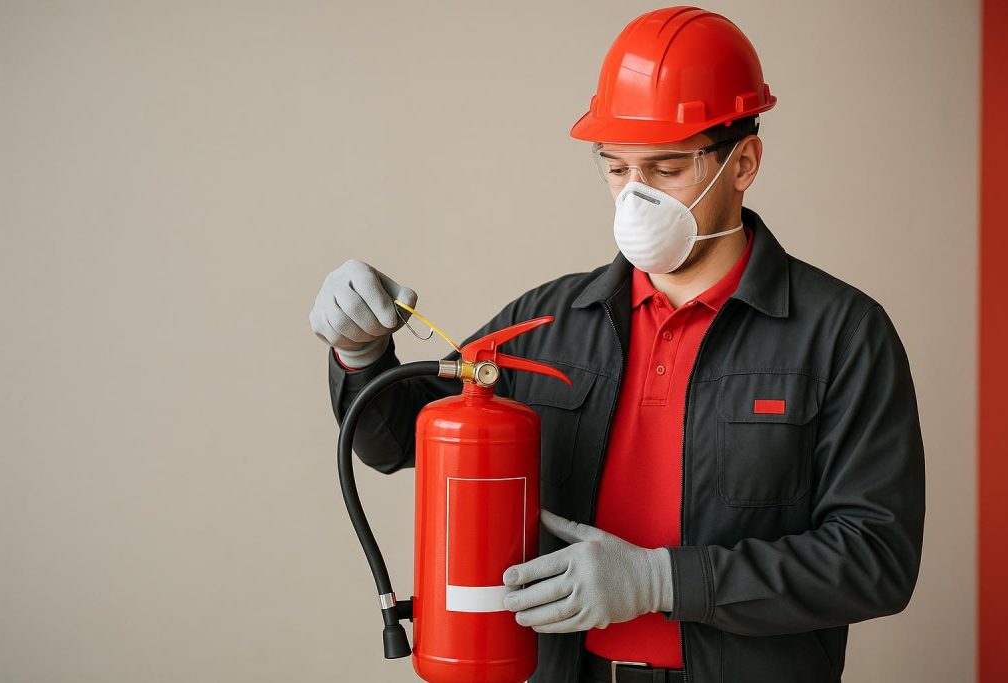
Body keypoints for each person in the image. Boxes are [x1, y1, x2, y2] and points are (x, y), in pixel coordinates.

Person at [309, 6, 925, 682]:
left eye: (665, 169)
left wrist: (663, 580)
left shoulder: (841, 335)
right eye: (616, 168)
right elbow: (398, 441)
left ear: (744, 162)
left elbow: (875, 560)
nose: (635, 197)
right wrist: (361, 353)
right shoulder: (549, 323)